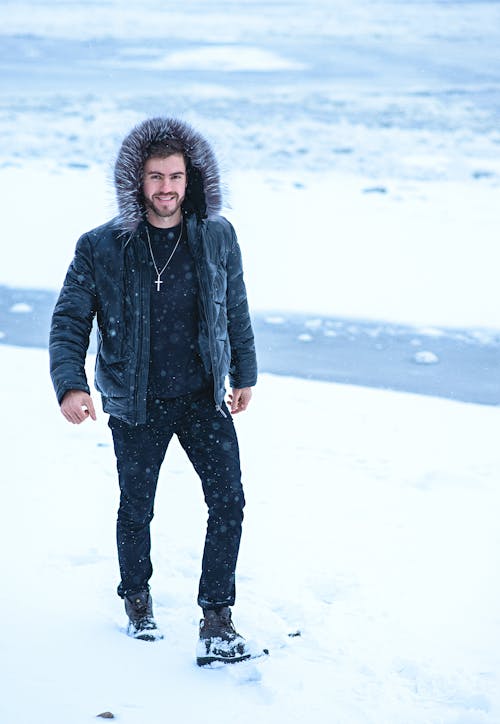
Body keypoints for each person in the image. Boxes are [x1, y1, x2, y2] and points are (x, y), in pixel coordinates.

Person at [49, 116, 258, 666]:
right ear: (136, 182)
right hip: (136, 401)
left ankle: (216, 618)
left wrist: (246, 374)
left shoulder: (217, 235)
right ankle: (137, 599)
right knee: (137, 506)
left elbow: (234, 308)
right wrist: (71, 386)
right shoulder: (102, 246)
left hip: (201, 396)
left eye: (176, 177)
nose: (166, 188)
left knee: (229, 502)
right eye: (155, 177)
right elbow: (70, 320)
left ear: (192, 180)